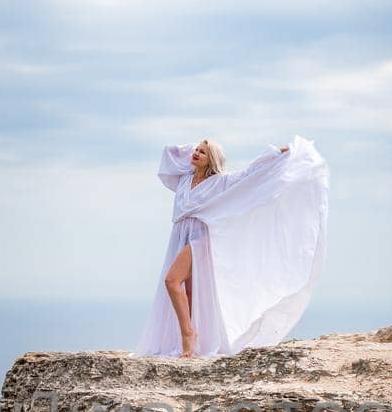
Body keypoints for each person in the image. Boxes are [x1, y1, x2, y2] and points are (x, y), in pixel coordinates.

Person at [132, 135, 329, 358]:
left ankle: (188, 334)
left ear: (212, 159)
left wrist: (276, 155)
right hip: (179, 237)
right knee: (189, 292)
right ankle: (192, 340)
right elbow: (169, 154)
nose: (196, 153)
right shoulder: (183, 180)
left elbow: (248, 175)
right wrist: (197, 146)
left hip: (201, 238)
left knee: (172, 280)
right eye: (196, 150)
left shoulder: (220, 182)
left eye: (203, 152)